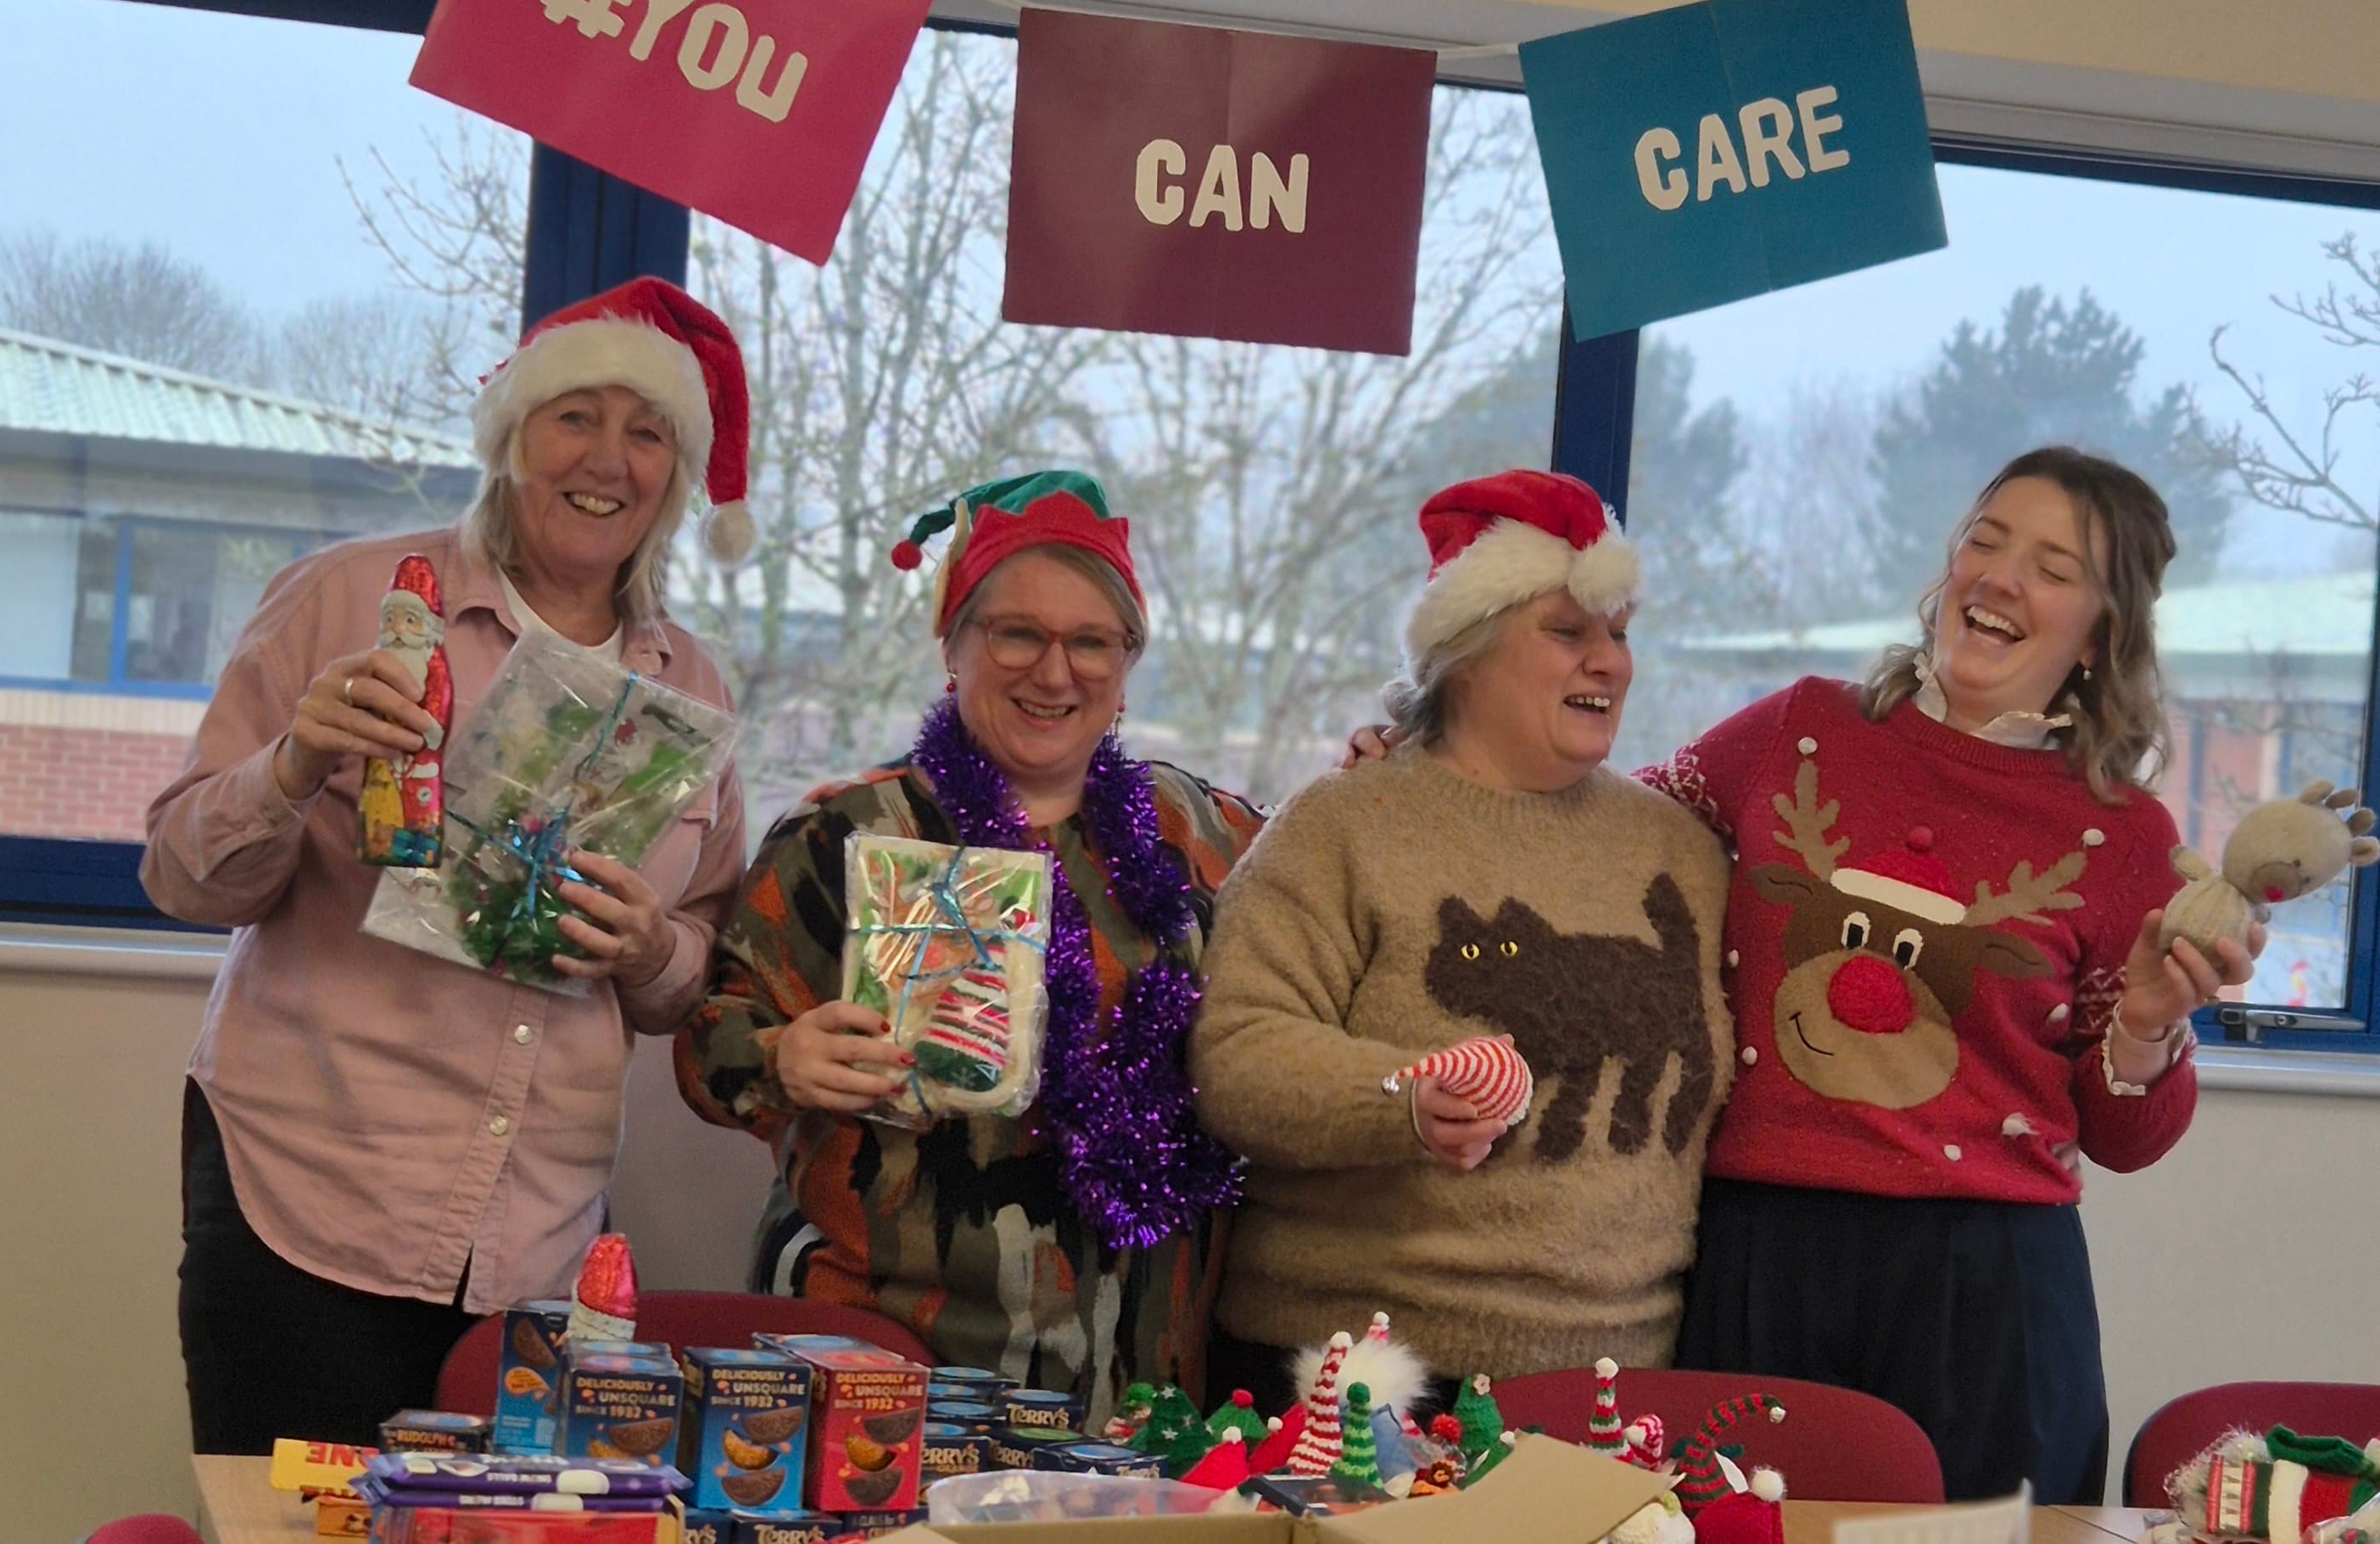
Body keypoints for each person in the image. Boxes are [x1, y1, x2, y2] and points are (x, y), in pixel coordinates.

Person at [144, 277, 754, 1452]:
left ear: (677, 480)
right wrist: (294, 762)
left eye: (649, 433)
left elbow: (696, 978)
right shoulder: (345, 603)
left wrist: (649, 949)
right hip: (308, 1196)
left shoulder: (693, 689)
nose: (609, 460)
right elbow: (180, 876)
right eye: (577, 416)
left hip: (543, 1238)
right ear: (510, 437)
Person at [1634, 446, 2260, 1502]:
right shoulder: (1796, 730)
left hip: (1992, 1291)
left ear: (2102, 633)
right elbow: (1608, 839)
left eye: (2055, 568)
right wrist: (1439, 762)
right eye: (1986, 538)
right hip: (1759, 1250)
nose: (2003, 576)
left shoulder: (2125, 838)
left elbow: (2127, 1140)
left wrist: (2149, 1028)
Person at [679, 471, 1263, 1427]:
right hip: (884, 1365)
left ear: (1126, 665)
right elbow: (707, 1043)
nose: (1054, 670)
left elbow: (1345, 877)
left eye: (1091, 642)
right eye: (1017, 632)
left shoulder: (1203, 831)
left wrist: (1382, 754)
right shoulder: (850, 832)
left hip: (1138, 1393)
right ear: (954, 647)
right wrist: (783, 1056)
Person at [1190, 470, 1735, 1418]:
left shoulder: (1681, 850)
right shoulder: (1344, 822)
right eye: (1568, 632)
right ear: (1465, 654)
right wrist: (1402, 1097)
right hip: (1353, 1377)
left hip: (1612, 1381)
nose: (1609, 661)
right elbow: (1237, 1055)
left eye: (1619, 632)